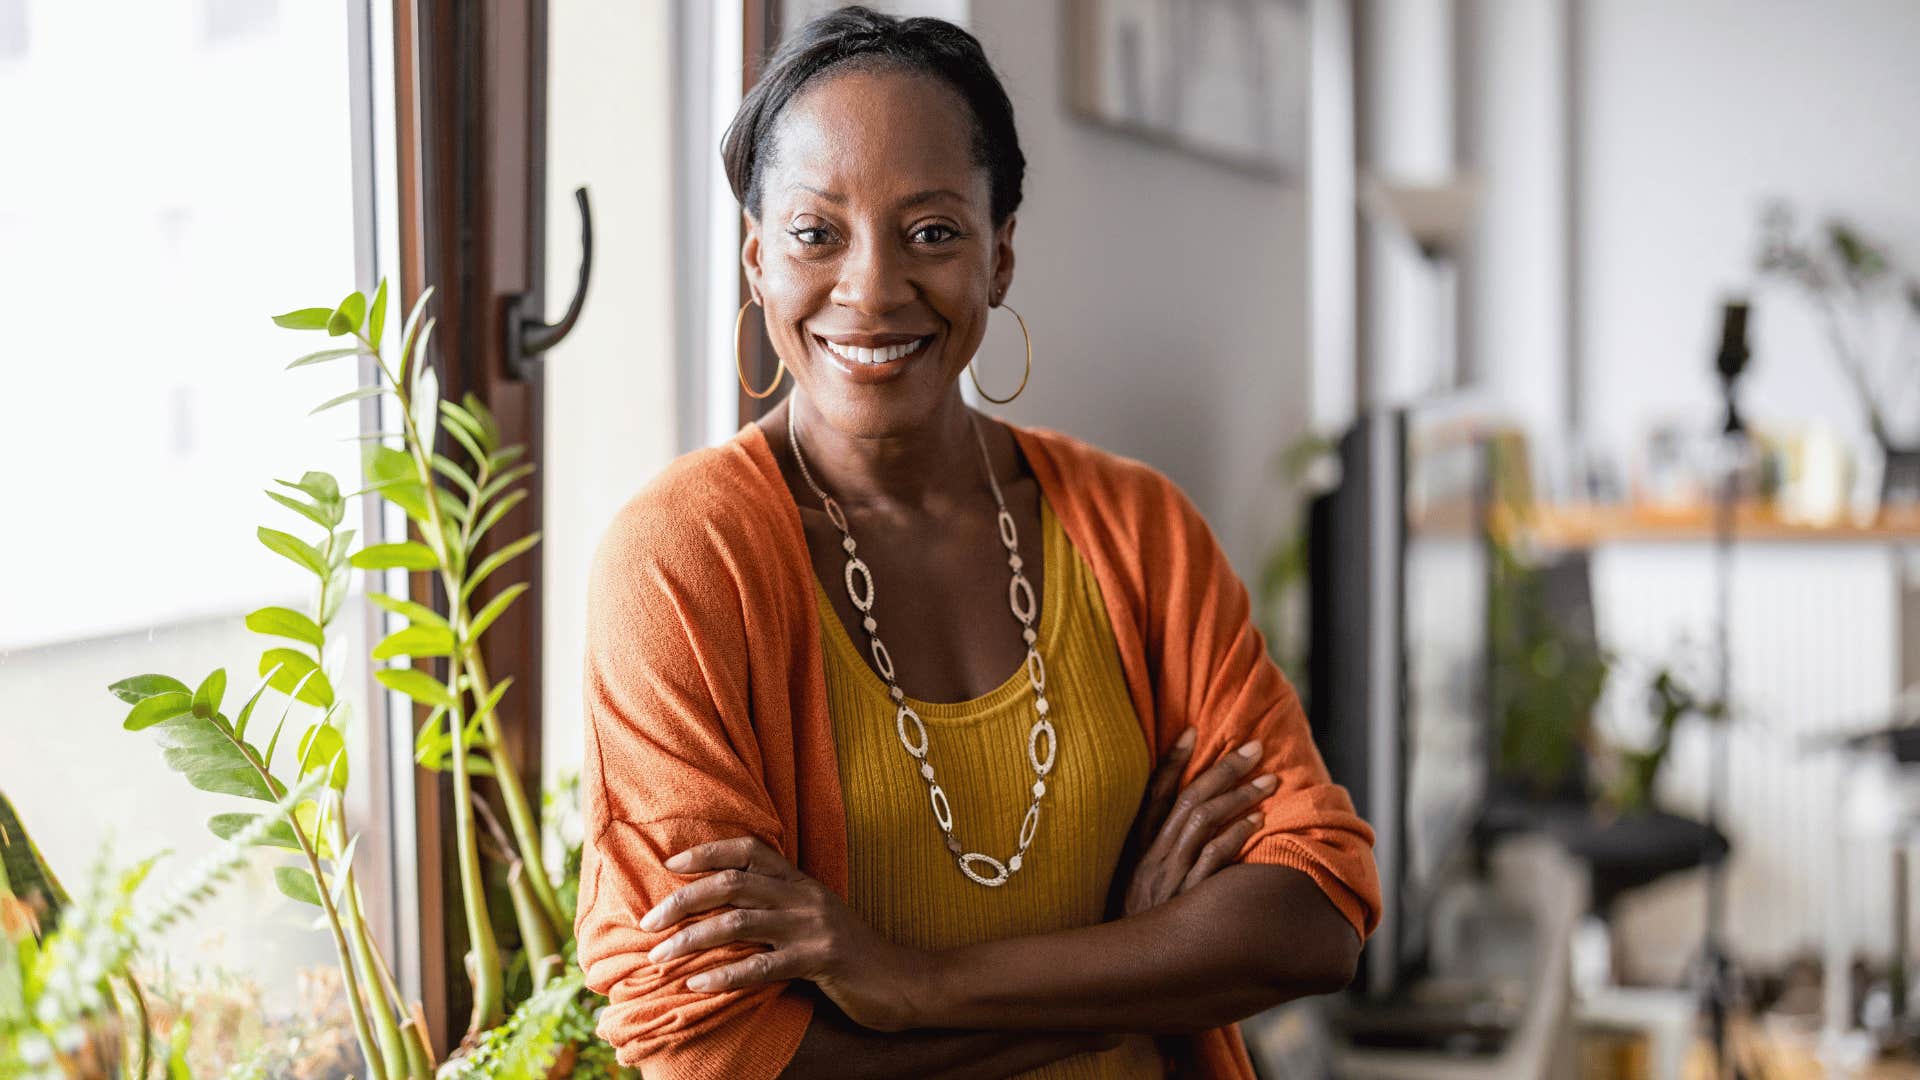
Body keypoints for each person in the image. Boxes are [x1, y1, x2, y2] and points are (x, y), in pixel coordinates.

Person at [574, 8, 1379, 1078]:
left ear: (999, 258)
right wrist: (1124, 971)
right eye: (819, 233)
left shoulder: (1137, 529)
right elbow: (710, 1041)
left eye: (933, 232)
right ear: (759, 262)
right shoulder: (679, 564)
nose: (872, 289)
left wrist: (914, 987)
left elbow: (1316, 909)